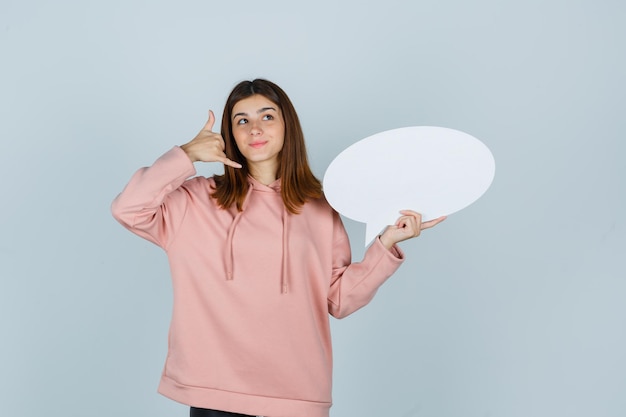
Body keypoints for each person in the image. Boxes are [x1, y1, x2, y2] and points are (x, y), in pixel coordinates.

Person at [111, 79, 446, 417]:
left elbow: (339, 300)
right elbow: (128, 209)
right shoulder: (195, 200)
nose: (254, 128)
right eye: (242, 120)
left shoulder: (319, 207)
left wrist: (386, 244)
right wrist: (185, 155)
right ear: (230, 134)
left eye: (267, 116)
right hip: (214, 390)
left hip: (297, 392)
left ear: (288, 125)